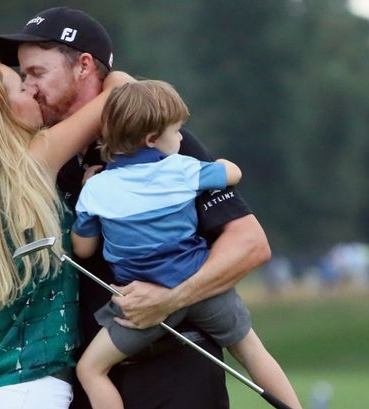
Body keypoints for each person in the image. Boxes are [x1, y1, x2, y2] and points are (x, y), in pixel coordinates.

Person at [0, 7, 273, 409]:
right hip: (92, 379)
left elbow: (250, 244)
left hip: (180, 371)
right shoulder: (46, 155)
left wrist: (171, 298)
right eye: (24, 76)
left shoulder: (160, 141)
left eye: (37, 72)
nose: (29, 86)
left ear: (83, 66)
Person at [71, 80, 302, 409]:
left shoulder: (96, 190)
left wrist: (86, 191)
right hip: (206, 292)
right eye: (177, 131)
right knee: (251, 350)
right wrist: (218, 164)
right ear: (152, 140)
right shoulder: (182, 169)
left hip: (142, 308)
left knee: (91, 369)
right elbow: (232, 173)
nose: (181, 139)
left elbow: (82, 249)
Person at [0, 55, 131, 409]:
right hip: (35, 392)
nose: (33, 90)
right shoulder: (34, 160)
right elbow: (120, 93)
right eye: (21, 86)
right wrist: (109, 71)